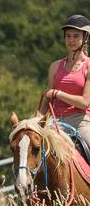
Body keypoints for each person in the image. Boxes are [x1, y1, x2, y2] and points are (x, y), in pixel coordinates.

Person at [35, 14, 90, 145]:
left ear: (86, 38)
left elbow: (84, 103)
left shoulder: (88, 65)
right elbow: (48, 99)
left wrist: (57, 93)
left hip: (80, 123)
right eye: (68, 36)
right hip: (55, 122)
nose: (71, 40)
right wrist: (37, 119)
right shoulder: (54, 66)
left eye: (76, 36)